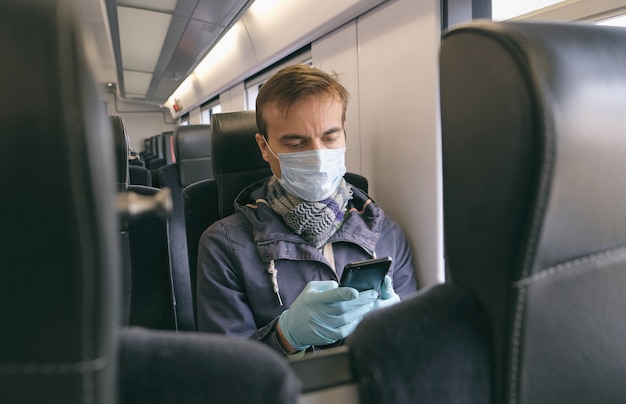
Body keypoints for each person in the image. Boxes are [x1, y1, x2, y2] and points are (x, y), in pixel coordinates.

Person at [196, 64, 418, 356]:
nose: (317, 155)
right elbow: (225, 371)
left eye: (329, 138)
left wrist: (398, 327)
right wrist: (285, 337)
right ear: (264, 147)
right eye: (295, 142)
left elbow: (418, 352)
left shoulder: (385, 232)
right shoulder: (223, 245)